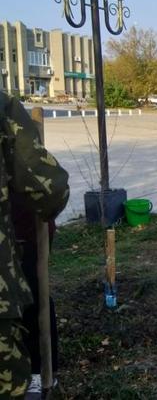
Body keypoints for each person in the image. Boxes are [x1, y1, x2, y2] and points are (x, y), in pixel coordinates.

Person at [0, 92, 69, 398]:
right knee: (32, 300)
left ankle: (42, 372)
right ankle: (40, 375)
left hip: (22, 232)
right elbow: (49, 189)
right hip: (14, 249)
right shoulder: (3, 107)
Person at [11, 196, 60, 400]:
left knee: (31, 299)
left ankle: (38, 372)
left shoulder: (22, 162)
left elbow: (53, 191)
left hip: (26, 237)